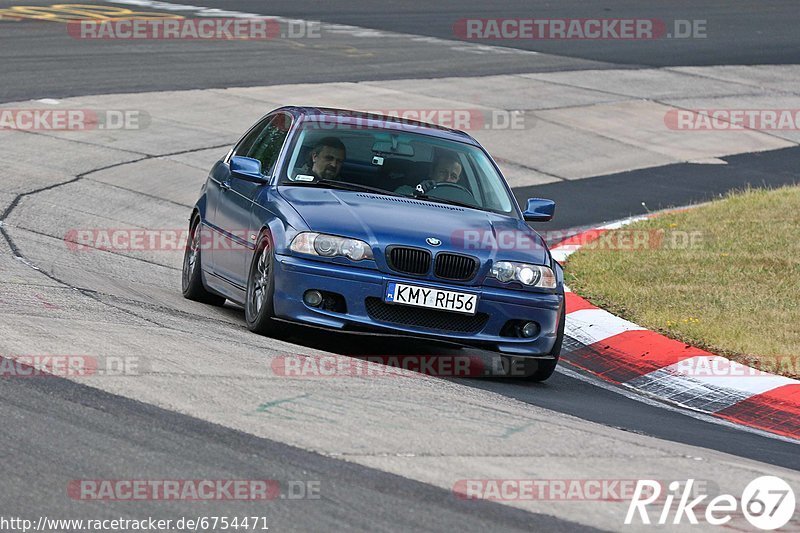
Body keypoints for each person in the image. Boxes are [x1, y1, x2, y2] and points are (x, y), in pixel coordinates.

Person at [394, 154, 463, 196]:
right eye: (443, 172)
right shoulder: (405, 191)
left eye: (453, 176)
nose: (447, 179)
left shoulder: (462, 203)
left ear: (457, 180)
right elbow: (394, 209)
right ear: (431, 172)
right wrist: (417, 194)